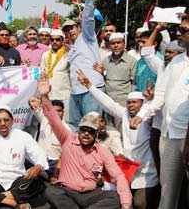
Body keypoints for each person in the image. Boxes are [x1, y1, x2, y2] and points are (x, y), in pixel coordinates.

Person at [36, 77, 132, 209]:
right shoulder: (67, 139)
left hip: (90, 194)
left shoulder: (102, 151)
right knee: (50, 191)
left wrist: (126, 204)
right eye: (83, 130)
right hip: (67, 192)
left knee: (115, 198)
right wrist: (44, 96)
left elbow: (118, 175)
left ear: (96, 134)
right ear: (79, 130)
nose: (86, 134)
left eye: (90, 131)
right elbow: (53, 119)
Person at [77, 70, 159, 208]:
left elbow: (154, 108)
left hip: (147, 173)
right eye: (129, 103)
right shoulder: (125, 115)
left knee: (140, 204)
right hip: (127, 170)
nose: (131, 105)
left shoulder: (149, 117)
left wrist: (151, 100)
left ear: (142, 104)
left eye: (134, 102)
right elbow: (108, 103)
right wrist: (90, 86)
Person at [131, 26, 189, 209]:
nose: (182, 28)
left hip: (187, 135)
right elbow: (161, 95)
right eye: (181, 24)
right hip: (169, 133)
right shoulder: (175, 62)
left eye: (186, 23)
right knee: (168, 191)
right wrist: (142, 114)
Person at [65, 0, 105, 128]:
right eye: (66, 30)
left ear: (79, 27)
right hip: (76, 91)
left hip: (91, 89)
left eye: (72, 27)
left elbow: (88, 17)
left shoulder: (87, 36)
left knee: (92, 126)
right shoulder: (72, 47)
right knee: (75, 126)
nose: (70, 31)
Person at [94, 32, 137, 129]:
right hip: (108, 100)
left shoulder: (132, 61)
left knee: (123, 129)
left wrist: (132, 103)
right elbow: (105, 80)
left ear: (124, 44)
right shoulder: (105, 61)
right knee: (109, 129)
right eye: (113, 43)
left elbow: (134, 83)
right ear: (109, 45)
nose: (116, 45)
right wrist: (101, 73)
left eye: (119, 43)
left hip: (123, 102)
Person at [28, 98, 70, 179]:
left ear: (63, 112)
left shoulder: (67, 130)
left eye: (59, 111)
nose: (56, 114)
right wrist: (33, 101)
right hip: (40, 160)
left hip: (55, 163)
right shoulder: (44, 119)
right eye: (53, 111)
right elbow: (32, 104)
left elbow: (66, 153)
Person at [39, 29, 70, 108]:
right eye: (52, 39)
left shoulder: (68, 54)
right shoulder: (45, 55)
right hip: (49, 95)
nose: (54, 42)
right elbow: (42, 73)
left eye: (57, 39)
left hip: (65, 95)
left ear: (62, 41)